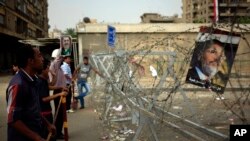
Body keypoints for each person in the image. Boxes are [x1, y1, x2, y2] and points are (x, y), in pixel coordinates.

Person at [6, 46, 55, 141]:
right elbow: (13, 120)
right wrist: (37, 138)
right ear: (31, 61)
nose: (42, 59)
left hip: (35, 133)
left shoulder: (34, 80)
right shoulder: (18, 84)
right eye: (39, 56)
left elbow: (34, 110)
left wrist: (47, 124)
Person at [37, 58, 68, 140]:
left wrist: (59, 85)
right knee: (49, 135)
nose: (49, 70)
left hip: (47, 111)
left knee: (50, 134)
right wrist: (59, 94)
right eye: (47, 69)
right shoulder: (40, 81)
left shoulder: (43, 80)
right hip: (44, 113)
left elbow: (50, 86)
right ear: (42, 70)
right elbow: (44, 99)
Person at [49, 48, 68, 139]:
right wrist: (61, 50)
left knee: (61, 113)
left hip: (62, 91)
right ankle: (57, 133)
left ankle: (59, 131)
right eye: (61, 57)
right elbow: (56, 61)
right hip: (57, 91)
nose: (63, 59)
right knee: (58, 113)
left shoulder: (60, 68)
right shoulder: (54, 66)